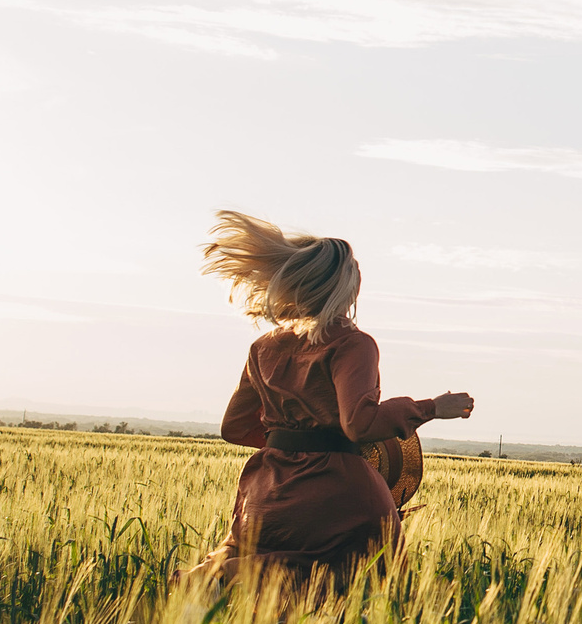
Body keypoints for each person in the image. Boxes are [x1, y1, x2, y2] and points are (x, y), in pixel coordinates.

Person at [186, 210, 475, 590]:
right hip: (337, 490)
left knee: (259, 582)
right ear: (344, 288)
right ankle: (231, 582)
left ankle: (208, 583)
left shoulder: (263, 348)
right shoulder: (353, 344)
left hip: (265, 489)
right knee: (355, 585)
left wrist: (292, 449)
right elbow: (359, 424)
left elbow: (235, 428)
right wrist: (432, 408)